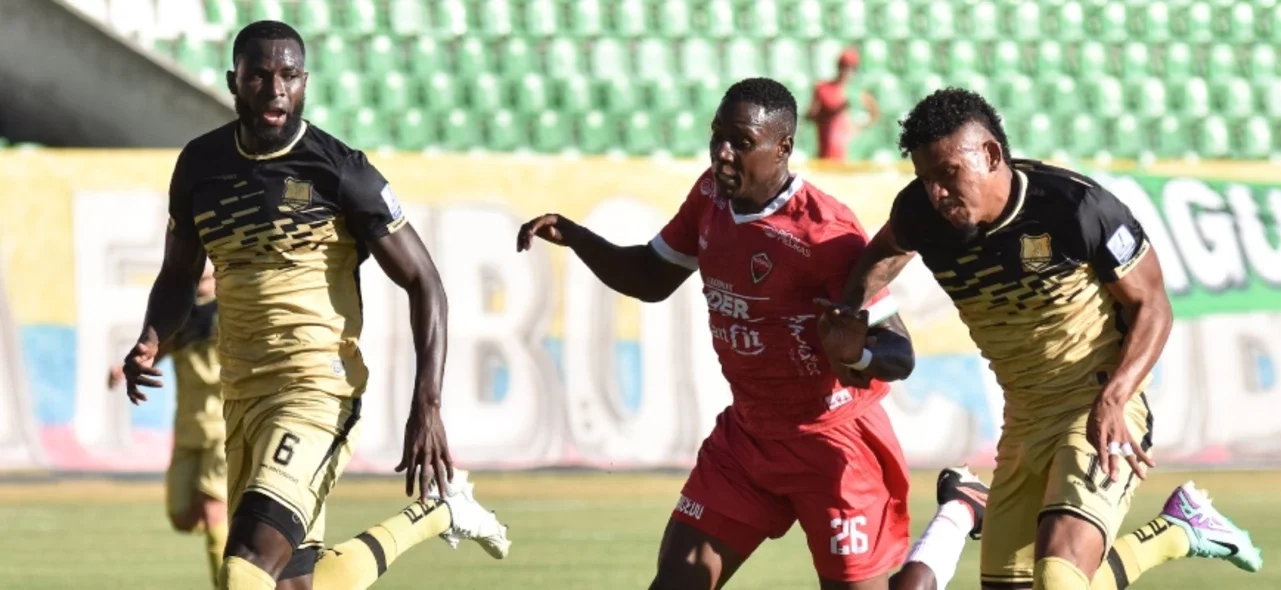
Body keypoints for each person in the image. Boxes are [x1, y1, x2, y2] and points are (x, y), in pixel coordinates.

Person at [518, 77, 984, 590]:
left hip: (832, 445)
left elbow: (898, 352)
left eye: (740, 143)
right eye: (718, 136)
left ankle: (959, 511)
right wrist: (579, 238)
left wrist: (857, 354)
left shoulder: (824, 233)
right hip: (749, 437)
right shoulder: (709, 197)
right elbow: (651, 278)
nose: (722, 154)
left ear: (782, 148)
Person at [818, 87, 1263, 590]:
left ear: (989, 155)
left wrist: (1116, 396)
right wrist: (850, 310)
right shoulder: (922, 213)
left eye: (947, 175)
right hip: (1023, 419)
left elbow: (1153, 304)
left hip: (1096, 408)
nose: (937, 194)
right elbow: (886, 252)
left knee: (1058, 577)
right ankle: (1179, 530)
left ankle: (1174, 533)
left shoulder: (1075, 207)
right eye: (925, 179)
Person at [120, 20, 509, 590]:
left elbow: (425, 281)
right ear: (235, 81)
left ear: (305, 82)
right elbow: (179, 274)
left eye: (290, 75)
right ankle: (438, 513)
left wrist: (427, 403)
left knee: (244, 568)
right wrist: (152, 336)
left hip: (316, 390)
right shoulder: (200, 167)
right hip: (241, 392)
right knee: (290, 584)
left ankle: (440, 510)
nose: (276, 89)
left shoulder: (340, 170)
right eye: (260, 76)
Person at [110, 262, 228, 586]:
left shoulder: (233, 307)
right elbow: (164, 346)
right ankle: (244, 530)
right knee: (182, 516)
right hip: (189, 426)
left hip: (224, 426)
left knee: (212, 511)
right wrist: (128, 368)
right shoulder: (181, 313)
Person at [804, 48, 880, 162]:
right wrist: (826, 116)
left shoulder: (858, 92)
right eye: (844, 66)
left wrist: (857, 128)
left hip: (851, 154)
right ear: (838, 67)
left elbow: (875, 112)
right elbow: (810, 115)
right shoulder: (823, 88)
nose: (847, 71)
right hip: (827, 151)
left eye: (851, 67)